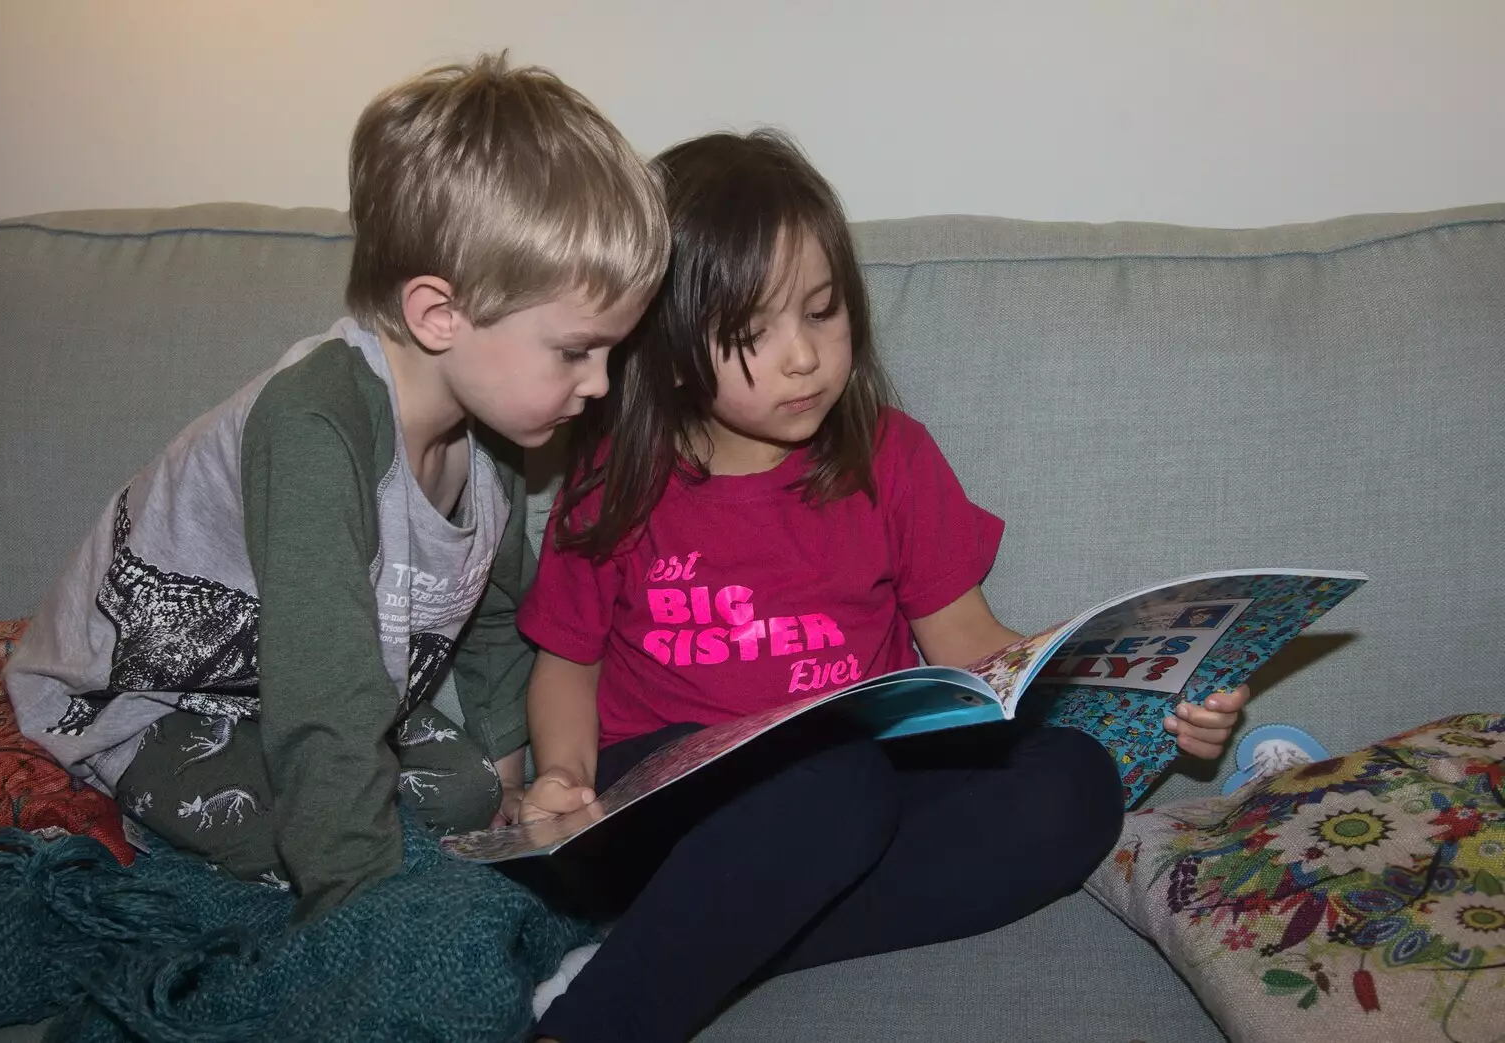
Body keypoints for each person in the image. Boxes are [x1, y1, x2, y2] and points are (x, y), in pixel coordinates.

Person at [516, 129, 1249, 1041]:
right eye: (752, 333)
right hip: (664, 804)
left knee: (1075, 786)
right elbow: (563, 666)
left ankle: (689, 945)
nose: (803, 357)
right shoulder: (613, 481)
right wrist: (561, 776)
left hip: (852, 791)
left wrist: (1148, 687)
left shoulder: (890, 455)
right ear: (666, 351)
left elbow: (975, 651)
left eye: (822, 312)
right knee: (830, 779)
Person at [5, 53, 668, 921]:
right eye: (576, 351)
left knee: (463, 799)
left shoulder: (498, 445)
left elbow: (500, 618)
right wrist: (366, 919)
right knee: (336, 840)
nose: (601, 385)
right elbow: (325, 702)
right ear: (440, 314)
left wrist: (520, 784)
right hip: (143, 706)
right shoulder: (317, 425)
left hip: (307, 698)